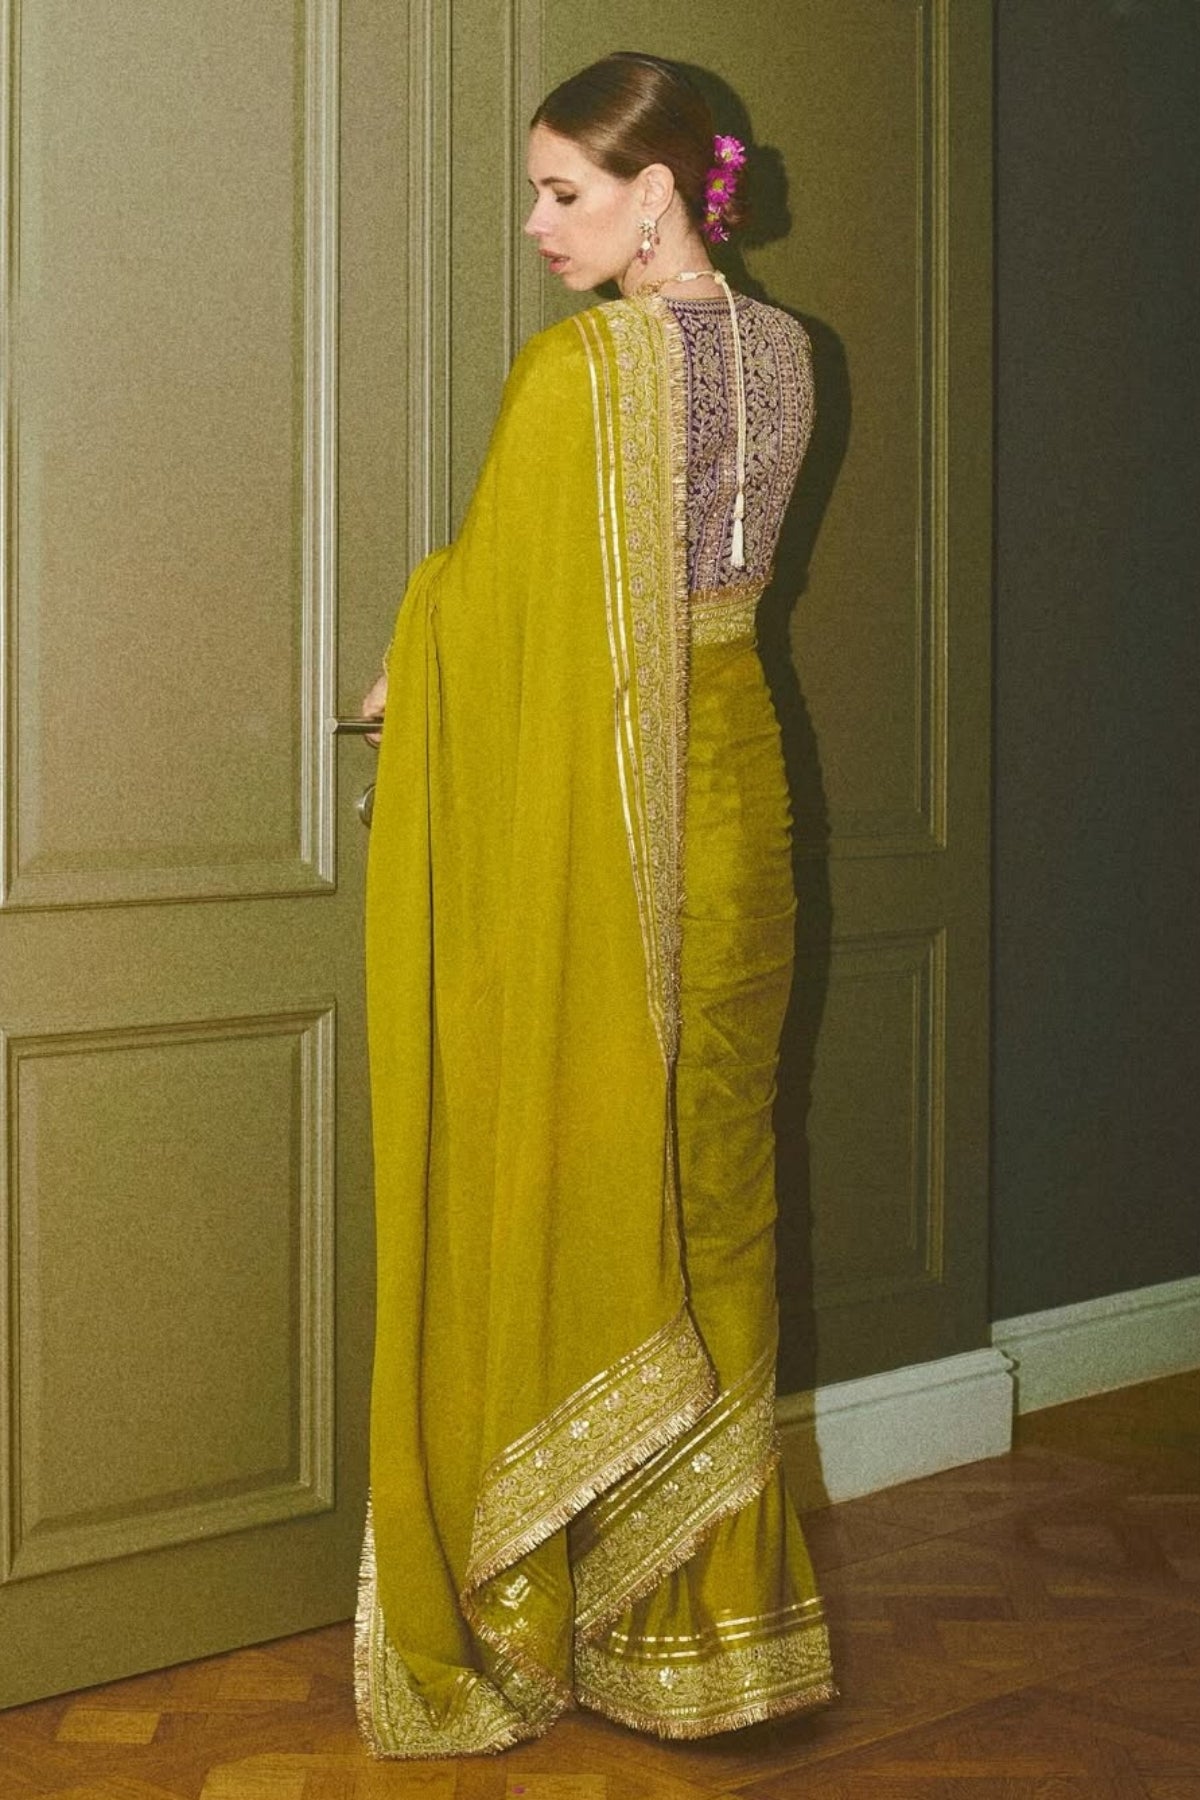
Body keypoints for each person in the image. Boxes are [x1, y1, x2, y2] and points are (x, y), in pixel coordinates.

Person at [355, 52, 837, 1757]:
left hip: (629, 824)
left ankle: (573, 1611)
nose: (538, 225)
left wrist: (415, 668)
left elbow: (501, 604)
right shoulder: (793, 354)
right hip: (746, 793)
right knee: (716, 1187)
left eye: (563, 192)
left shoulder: (584, 373)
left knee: (594, 1174)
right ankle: (716, 1635)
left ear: (656, 194)